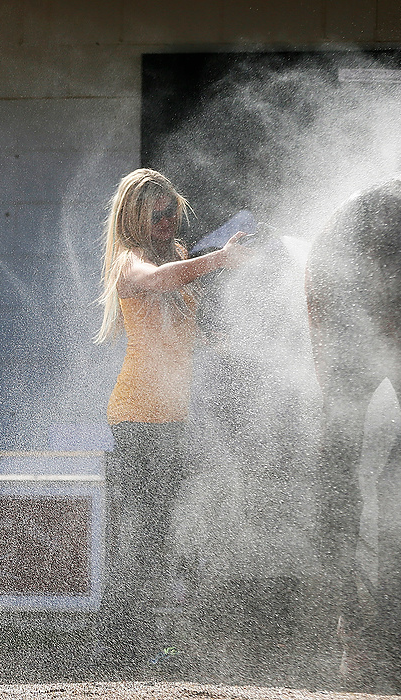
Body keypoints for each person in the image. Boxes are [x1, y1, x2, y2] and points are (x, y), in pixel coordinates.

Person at [95, 168, 250, 656]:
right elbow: (159, 282)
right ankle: (117, 646)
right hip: (137, 414)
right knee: (138, 533)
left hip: (173, 415)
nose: (166, 220)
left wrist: (228, 348)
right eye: (155, 213)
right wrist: (220, 260)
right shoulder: (129, 262)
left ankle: (135, 641)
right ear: (136, 218)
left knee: (158, 532)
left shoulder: (180, 257)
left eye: (171, 211)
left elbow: (184, 330)